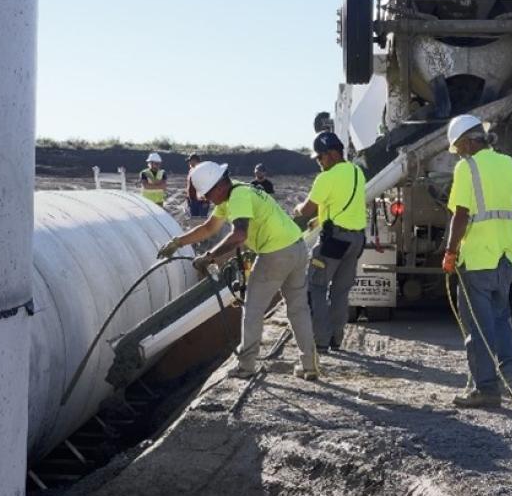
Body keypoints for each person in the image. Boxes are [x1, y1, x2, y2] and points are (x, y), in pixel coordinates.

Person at [157, 161, 319, 380]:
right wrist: (178, 242)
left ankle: (246, 366)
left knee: (252, 310)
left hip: (275, 253)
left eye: (207, 194)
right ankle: (309, 366)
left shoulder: (238, 197)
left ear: (218, 187)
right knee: (298, 309)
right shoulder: (235, 191)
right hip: (297, 248)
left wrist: (208, 257)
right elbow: (208, 228)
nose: (206, 199)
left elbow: (239, 235)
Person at [442, 114, 512, 409]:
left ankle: (486, 389)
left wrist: (450, 252)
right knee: (501, 319)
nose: (459, 153)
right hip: (505, 256)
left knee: (477, 327)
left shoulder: (467, 168)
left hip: (478, 258)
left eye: (458, 147)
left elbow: (461, 214)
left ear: (468, 141)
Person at [295, 132, 366, 353]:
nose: (319, 162)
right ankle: (336, 338)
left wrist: (298, 210)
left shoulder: (326, 178)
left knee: (316, 287)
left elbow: (306, 209)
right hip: (356, 240)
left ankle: (321, 340)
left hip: (334, 241)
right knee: (340, 292)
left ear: (333, 154)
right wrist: (322, 217)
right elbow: (342, 202)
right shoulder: (357, 172)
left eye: (321, 157)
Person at [185, 153, 210, 217]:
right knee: (194, 220)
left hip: (201, 202)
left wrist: (206, 201)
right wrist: (188, 199)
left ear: (194, 161)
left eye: (190, 161)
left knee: (202, 221)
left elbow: (207, 186)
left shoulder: (203, 171)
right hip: (193, 201)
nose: (189, 163)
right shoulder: (191, 171)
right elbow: (190, 187)